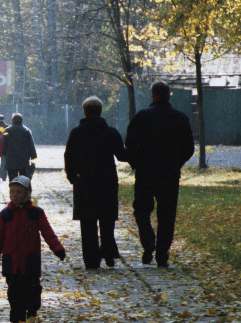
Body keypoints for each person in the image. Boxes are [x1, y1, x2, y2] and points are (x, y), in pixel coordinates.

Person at [125, 81, 195, 267]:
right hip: (169, 174)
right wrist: (176, 163)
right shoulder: (180, 118)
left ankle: (148, 242)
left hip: (146, 172)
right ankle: (162, 252)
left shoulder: (142, 117)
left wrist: (137, 162)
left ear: (153, 95)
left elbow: (130, 145)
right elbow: (188, 148)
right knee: (167, 214)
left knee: (141, 210)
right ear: (169, 95)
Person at [0, 176, 66, 323]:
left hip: (30, 260)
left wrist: (57, 248)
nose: (15, 195)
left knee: (33, 289)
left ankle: (32, 310)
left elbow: (47, 232)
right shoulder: (5, 214)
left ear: (27, 193)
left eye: (19, 192)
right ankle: (16, 316)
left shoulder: (36, 213)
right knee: (14, 291)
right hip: (11, 260)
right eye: (12, 192)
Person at [64, 97, 129, 269]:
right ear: (101, 111)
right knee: (107, 220)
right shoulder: (110, 133)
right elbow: (122, 155)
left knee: (87, 223)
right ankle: (108, 252)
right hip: (106, 181)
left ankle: (91, 260)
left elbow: (69, 158)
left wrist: (73, 178)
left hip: (84, 183)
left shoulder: (76, 133)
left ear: (84, 111)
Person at [3, 113, 38, 181]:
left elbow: (4, 145)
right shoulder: (26, 131)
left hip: (11, 160)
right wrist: (33, 159)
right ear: (22, 120)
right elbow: (31, 146)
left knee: (12, 180)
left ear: (13, 120)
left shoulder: (7, 130)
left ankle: (13, 191)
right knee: (23, 181)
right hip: (23, 160)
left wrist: (5, 154)